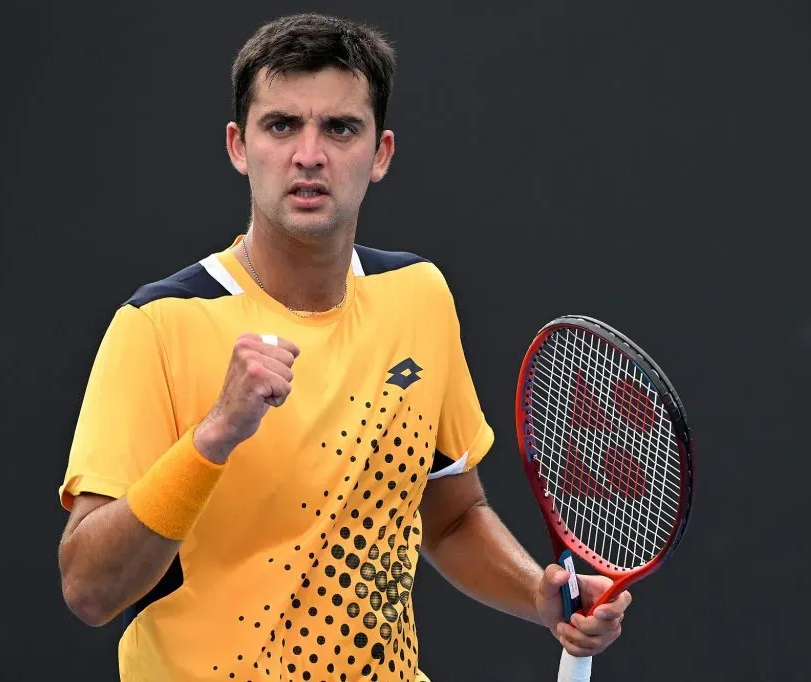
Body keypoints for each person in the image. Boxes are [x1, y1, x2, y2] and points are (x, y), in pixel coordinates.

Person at [57, 13, 631, 682]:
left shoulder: (418, 297)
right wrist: (214, 436)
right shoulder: (157, 325)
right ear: (239, 146)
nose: (309, 155)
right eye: (281, 126)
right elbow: (89, 590)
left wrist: (537, 593)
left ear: (380, 153)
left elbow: (451, 517)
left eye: (339, 128)